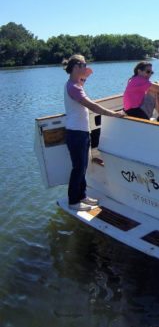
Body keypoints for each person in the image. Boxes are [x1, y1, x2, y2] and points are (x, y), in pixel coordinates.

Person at [63, 55, 124, 211]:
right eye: (84, 65)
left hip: (81, 131)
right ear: (76, 67)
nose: (86, 67)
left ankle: (82, 196)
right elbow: (92, 106)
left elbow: (81, 85)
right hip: (76, 133)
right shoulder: (73, 87)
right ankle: (73, 202)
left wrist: (84, 76)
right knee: (78, 168)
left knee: (83, 167)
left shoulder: (75, 83)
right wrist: (113, 114)